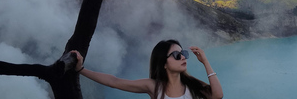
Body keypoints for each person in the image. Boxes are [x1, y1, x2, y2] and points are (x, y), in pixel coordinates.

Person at [71, 39, 223, 99]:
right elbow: (114, 81)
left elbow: (217, 95)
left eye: (183, 53)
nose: (183, 57)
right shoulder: (154, 87)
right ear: (163, 63)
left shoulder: (192, 85)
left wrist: (205, 61)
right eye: (177, 55)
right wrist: (81, 70)